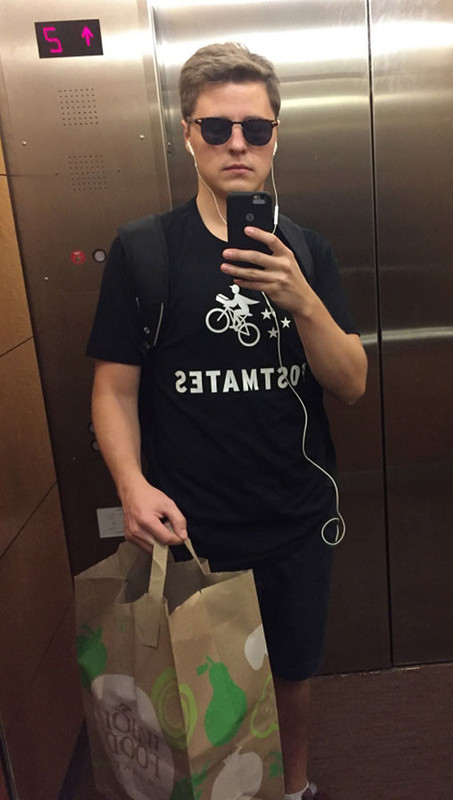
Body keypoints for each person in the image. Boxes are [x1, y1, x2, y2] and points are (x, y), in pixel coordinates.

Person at [87, 42, 367, 800]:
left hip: (296, 517)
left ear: (276, 135)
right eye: (216, 128)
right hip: (190, 528)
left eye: (256, 128)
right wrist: (131, 485)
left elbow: (350, 383)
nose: (237, 144)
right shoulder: (145, 250)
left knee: (293, 673)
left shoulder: (306, 250)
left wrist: (301, 297)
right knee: (196, 686)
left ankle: (293, 787)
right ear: (187, 134)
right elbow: (113, 390)